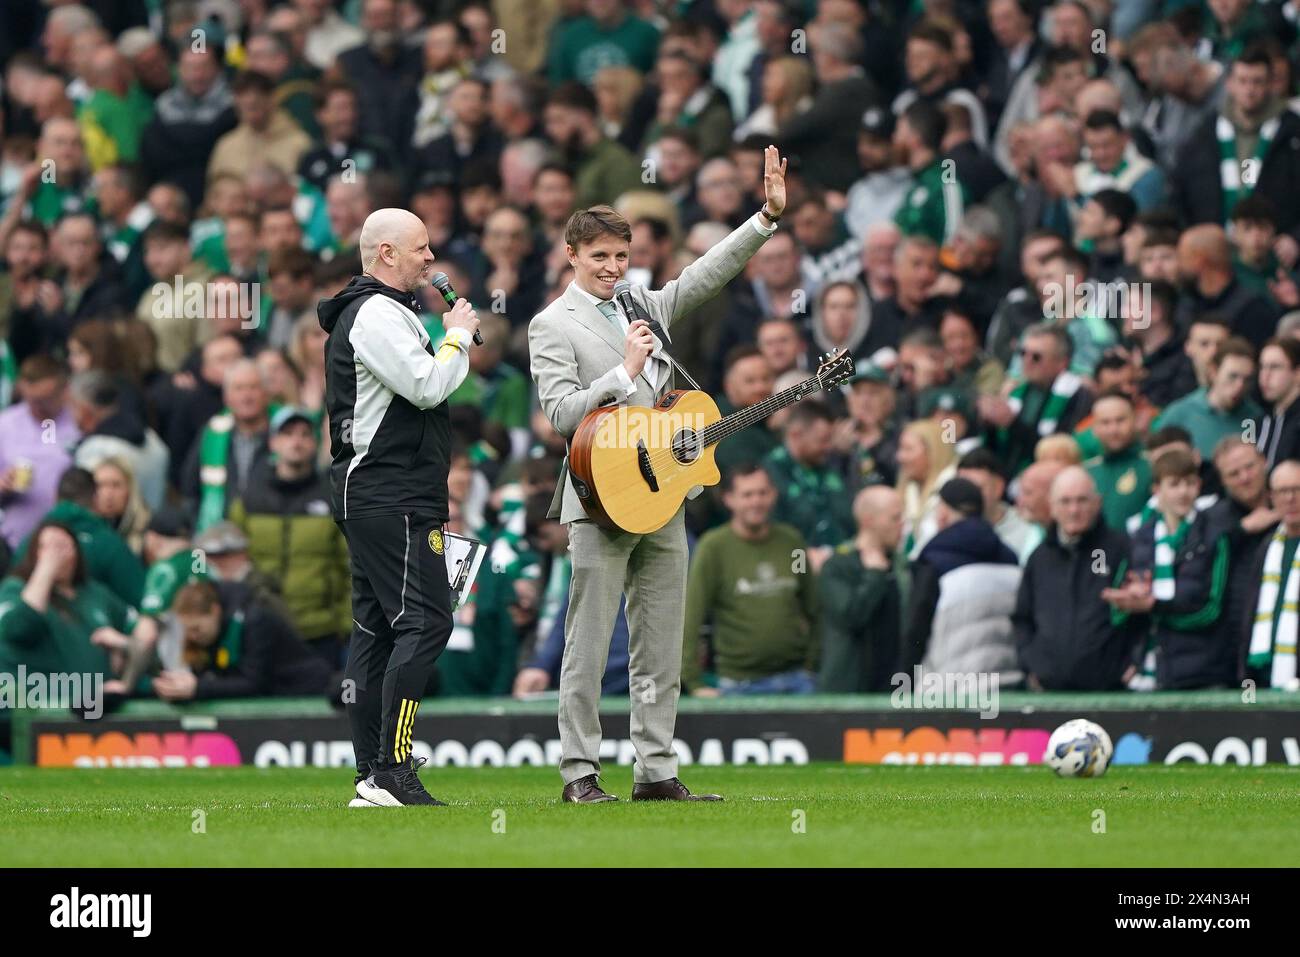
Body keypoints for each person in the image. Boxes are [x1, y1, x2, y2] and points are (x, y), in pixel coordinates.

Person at [528, 145, 787, 804]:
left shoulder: (642, 303)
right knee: (587, 642)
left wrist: (763, 219)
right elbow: (559, 414)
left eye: (621, 256)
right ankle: (578, 772)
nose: (614, 268)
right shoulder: (550, 324)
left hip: (663, 492)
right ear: (572, 256)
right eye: (601, 258)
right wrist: (623, 372)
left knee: (661, 642)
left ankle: (656, 770)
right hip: (598, 495)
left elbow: (703, 277)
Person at [320, 207, 480, 807]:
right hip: (392, 494)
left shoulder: (375, 313)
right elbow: (428, 386)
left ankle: (369, 772)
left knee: (376, 630)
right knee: (425, 621)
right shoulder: (375, 314)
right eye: (421, 248)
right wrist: (457, 335)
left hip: (375, 494)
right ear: (387, 253)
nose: (431, 259)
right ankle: (393, 765)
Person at [228, 407, 352, 667]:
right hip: (263, 632)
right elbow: (232, 567)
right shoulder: (249, 501)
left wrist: (344, 625)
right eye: (288, 434)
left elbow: (350, 568)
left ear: (315, 442)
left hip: (321, 634)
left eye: (305, 434)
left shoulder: (334, 499)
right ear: (273, 442)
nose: (297, 441)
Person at [681, 465, 819, 696]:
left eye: (762, 493)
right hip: (739, 684)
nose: (756, 501)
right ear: (728, 499)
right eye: (747, 495)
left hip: (798, 680)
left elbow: (813, 607)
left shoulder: (792, 543)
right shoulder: (713, 548)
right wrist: (693, 683)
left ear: (774, 494)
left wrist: (812, 665)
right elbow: (692, 615)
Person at [1105, 449, 1233, 690]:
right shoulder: (1138, 539)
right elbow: (1117, 612)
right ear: (1157, 490)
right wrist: (1127, 602)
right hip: (1149, 670)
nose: (1183, 492)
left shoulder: (1215, 535)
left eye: (1190, 483)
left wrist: (1154, 606)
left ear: (1199, 486)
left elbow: (1212, 610)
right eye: (1174, 484)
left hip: (1204, 673)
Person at [1013, 466, 1137, 690]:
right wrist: (1031, 665)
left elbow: (1140, 611)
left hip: (1109, 691)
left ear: (1097, 503)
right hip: (1049, 691)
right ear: (1052, 507)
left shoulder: (1121, 548)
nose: (1074, 510)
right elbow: (1022, 618)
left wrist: (1132, 661)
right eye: (1065, 501)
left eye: (1082, 501)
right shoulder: (1039, 558)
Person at [899, 477, 1022, 683]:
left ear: (943, 515)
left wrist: (903, 679)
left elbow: (916, 632)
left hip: (947, 689)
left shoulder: (932, 562)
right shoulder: (1011, 559)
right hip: (1006, 683)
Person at [154, 579, 333, 701]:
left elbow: (254, 682)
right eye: (187, 631)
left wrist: (198, 688)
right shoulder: (207, 636)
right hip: (275, 697)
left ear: (215, 611)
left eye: (197, 629)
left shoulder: (255, 620)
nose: (192, 636)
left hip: (306, 692)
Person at [818, 485, 908, 693]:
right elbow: (851, 615)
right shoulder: (838, 566)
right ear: (869, 521)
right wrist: (874, 576)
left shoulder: (902, 565)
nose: (902, 525)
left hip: (896, 688)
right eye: (895, 518)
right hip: (851, 691)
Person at [0, 355, 79, 549]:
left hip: (65, 539)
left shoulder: (80, 423)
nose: (36, 408)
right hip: (12, 541)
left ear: (65, 391)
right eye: (30, 400)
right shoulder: (6, 424)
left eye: (44, 400)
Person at [1242, 459, 1300, 690]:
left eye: (1297, 489)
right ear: (1271, 497)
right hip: (1264, 674)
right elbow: (1249, 611)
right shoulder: (1266, 546)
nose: (1290, 498)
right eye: (1282, 491)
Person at [1154, 337, 1263, 460]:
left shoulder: (1256, 418)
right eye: (1233, 376)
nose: (1240, 386)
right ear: (1213, 372)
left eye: (1247, 379)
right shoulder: (1180, 413)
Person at [1083, 390, 1152, 531]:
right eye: (1105, 422)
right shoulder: (1085, 473)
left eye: (1120, 420)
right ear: (1094, 428)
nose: (1113, 429)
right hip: (1097, 553)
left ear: (1135, 420)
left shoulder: (1153, 466)